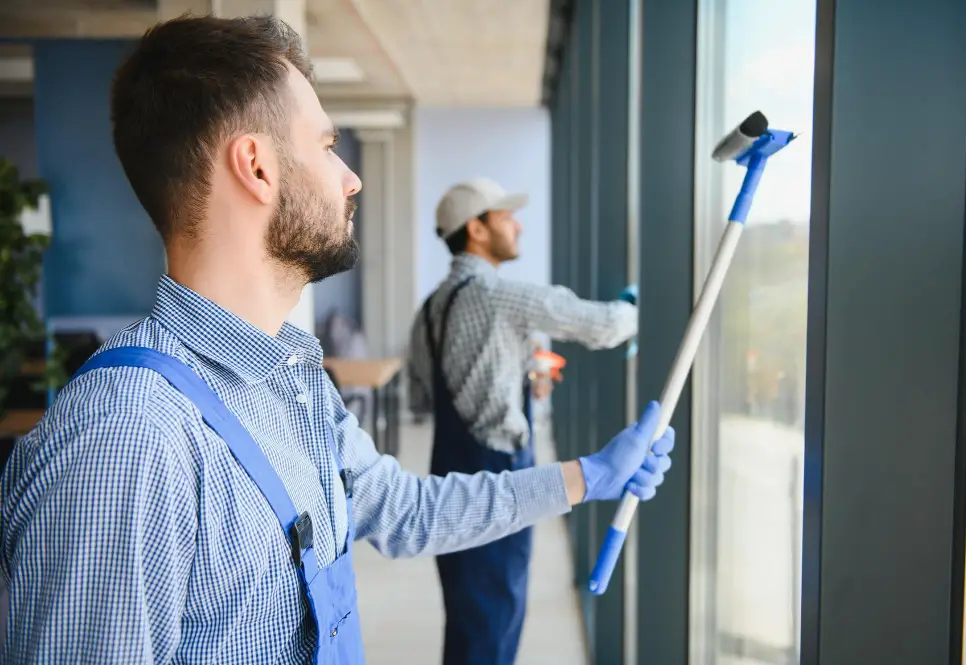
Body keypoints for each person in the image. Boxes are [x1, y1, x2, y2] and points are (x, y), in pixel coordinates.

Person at [0, 14, 675, 665]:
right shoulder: (127, 442)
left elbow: (407, 509)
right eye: (326, 147)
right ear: (257, 167)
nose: (351, 178)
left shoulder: (294, 382)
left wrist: (589, 476)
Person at [407, 177, 644, 665]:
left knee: (471, 617)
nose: (517, 225)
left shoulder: (429, 311)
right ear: (476, 229)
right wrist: (636, 306)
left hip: (449, 467)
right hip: (500, 470)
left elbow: (423, 394)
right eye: (505, 216)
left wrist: (513, 375)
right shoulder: (498, 295)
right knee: (495, 619)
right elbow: (602, 326)